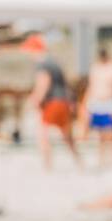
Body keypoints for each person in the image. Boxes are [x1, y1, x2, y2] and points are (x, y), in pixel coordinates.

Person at [26, 35, 80, 169]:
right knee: (67, 135)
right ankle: (79, 162)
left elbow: (43, 83)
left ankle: (47, 166)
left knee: (42, 134)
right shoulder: (55, 62)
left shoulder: (42, 64)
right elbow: (65, 84)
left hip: (52, 102)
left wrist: (35, 99)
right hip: (64, 101)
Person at [82, 48, 112, 165]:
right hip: (96, 103)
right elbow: (90, 87)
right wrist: (86, 105)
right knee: (100, 133)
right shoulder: (95, 68)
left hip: (110, 102)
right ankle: (101, 159)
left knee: (111, 133)